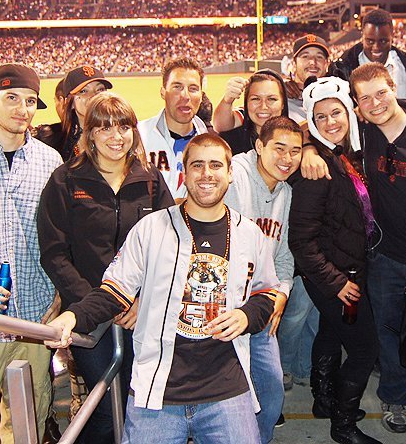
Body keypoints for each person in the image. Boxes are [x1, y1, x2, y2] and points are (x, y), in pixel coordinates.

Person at [46, 133, 280, 444]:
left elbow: (266, 293)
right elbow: (113, 291)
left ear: (230, 173)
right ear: (184, 173)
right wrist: (73, 317)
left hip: (226, 387)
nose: (207, 174)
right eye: (197, 165)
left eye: (215, 165)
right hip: (158, 388)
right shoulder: (151, 228)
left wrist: (246, 316)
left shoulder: (249, 234)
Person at [38, 92, 173, 443]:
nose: (116, 136)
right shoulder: (65, 180)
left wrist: (140, 299)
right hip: (89, 314)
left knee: (137, 401)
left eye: (124, 127)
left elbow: (168, 248)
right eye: (105, 128)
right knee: (103, 407)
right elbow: (54, 253)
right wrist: (98, 304)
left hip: (140, 313)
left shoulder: (150, 180)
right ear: (90, 134)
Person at [0, 64, 63, 443]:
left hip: (34, 316)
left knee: (30, 420)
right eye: (12, 98)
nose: (22, 109)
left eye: (30, 101)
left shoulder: (49, 161)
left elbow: (61, 237)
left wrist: (60, 294)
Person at [289, 76, 381, 444]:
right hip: (335, 277)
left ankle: (325, 400)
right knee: (364, 349)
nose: (330, 122)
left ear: (349, 113)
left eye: (336, 113)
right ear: (311, 122)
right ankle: (343, 426)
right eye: (321, 116)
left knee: (329, 332)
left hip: (346, 269)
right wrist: (337, 282)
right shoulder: (317, 169)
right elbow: (301, 240)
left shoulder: (342, 155)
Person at [349, 62, 406, 434]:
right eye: (365, 98)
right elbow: (317, 131)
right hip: (385, 255)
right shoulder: (362, 134)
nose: (375, 103)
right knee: (388, 331)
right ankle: (395, 396)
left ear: (394, 87)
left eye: (380, 93)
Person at [223, 116, 302, 442]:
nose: (287, 158)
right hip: (222, 305)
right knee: (227, 400)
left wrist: (282, 292)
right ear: (259, 146)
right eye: (278, 148)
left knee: (271, 391)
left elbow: (283, 256)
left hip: (260, 304)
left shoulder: (286, 193)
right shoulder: (234, 176)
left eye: (295, 151)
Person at [138, 58, 209, 200]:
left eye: (193, 89)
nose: (185, 96)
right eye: (177, 87)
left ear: (201, 96)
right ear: (163, 92)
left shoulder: (210, 144)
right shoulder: (138, 136)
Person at [336, 8, 406, 104]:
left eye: (383, 41)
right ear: (362, 35)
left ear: (392, 36)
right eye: (370, 41)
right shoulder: (342, 70)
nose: (376, 47)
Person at [36, 65, 113, 161]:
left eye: (100, 90)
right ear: (70, 102)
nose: (94, 96)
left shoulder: (122, 134)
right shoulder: (50, 140)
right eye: (83, 91)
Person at [219, 69, 289, 155]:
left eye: (271, 99)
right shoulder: (229, 145)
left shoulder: (297, 141)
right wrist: (227, 100)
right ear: (246, 104)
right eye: (255, 99)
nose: (263, 107)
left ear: (283, 104)